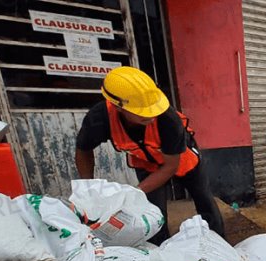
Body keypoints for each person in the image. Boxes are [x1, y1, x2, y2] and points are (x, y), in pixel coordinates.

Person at [75, 66, 224, 244]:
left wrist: (133, 193)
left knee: (204, 198)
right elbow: (83, 150)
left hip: (181, 160)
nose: (152, 116)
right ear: (118, 106)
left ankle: (219, 243)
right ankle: (161, 251)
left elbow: (170, 166)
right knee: (154, 213)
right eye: (143, 113)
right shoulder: (99, 119)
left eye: (153, 110)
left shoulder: (168, 120)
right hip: (146, 163)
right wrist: (89, 189)